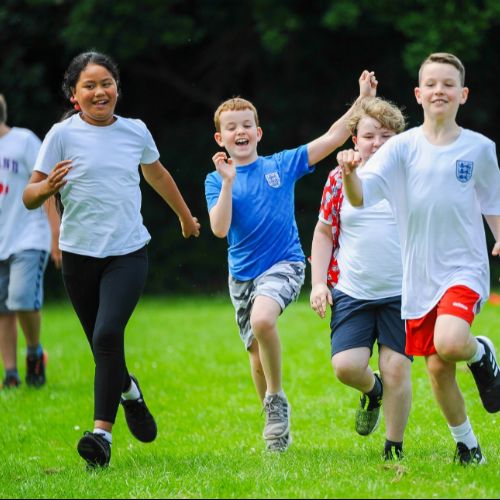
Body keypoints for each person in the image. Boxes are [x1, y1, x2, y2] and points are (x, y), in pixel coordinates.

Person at [22, 51, 201, 469]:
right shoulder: (60, 135)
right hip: (78, 257)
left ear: (118, 88)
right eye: (89, 85)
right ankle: (130, 393)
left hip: (127, 253)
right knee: (102, 346)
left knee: (106, 336)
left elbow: (157, 174)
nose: (99, 91)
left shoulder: (135, 131)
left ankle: (101, 436)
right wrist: (47, 187)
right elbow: (30, 196)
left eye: (106, 83)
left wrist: (184, 216)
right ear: (74, 95)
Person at [339, 52, 500, 465]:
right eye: (431, 84)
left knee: (450, 342)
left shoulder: (480, 149)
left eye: (448, 84)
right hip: (419, 278)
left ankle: (480, 352)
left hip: (464, 268)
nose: (439, 91)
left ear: (463, 94)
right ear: (418, 93)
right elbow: (360, 197)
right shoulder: (401, 148)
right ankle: (468, 447)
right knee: (437, 368)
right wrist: (350, 174)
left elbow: (492, 202)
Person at [205, 70, 377, 452]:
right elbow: (219, 228)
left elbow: (333, 137)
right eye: (231, 128)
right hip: (242, 276)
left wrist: (362, 99)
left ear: (258, 132)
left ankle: (275, 397)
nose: (240, 131)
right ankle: (276, 429)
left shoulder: (280, 165)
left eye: (246, 125)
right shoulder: (216, 180)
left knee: (263, 320)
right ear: (220, 139)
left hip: (285, 264)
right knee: (256, 354)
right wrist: (228, 181)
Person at [310, 96, 412, 460]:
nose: (377, 143)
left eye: (386, 136)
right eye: (370, 136)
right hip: (353, 291)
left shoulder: (409, 177)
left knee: (396, 367)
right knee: (346, 367)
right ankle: (373, 391)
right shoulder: (338, 179)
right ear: (355, 140)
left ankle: (393, 447)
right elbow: (323, 232)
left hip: (401, 293)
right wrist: (318, 283)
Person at [0, 94, 61, 390]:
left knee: (22, 298)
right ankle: (11, 374)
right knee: (2, 310)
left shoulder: (23, 141)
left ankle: (34, 352)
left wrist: (55, 234)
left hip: (28, 236)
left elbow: (45, 187)